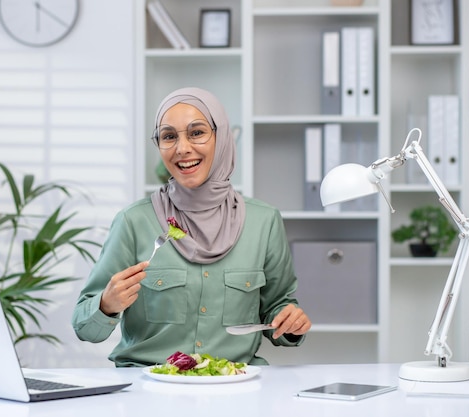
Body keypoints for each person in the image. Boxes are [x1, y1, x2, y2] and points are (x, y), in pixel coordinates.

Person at [71, 87, 311, 367]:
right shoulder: (133, 222)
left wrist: (289, 320)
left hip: (234, 388)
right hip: (148, 389)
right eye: (169, 136)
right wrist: (105, 305)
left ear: (220, 138)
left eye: (196, 132)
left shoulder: (264, 221)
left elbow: (277, 307)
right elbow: (84, 326)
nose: (182, 148)